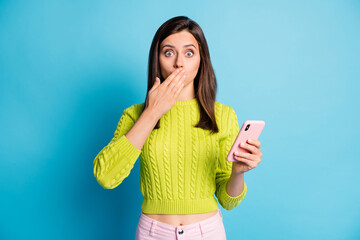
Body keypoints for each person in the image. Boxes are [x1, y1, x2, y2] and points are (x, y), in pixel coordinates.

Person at [93, 16, 263, 240]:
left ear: (201, 60)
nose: (179, 63)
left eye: (189, 53)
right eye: (169, 52)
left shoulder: (222, 115)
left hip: (207, 232)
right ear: (158, 59)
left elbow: (228, 200)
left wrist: (237, 173)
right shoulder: (135, 114)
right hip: (152, 232)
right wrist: (152, 113)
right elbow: (106, 176)